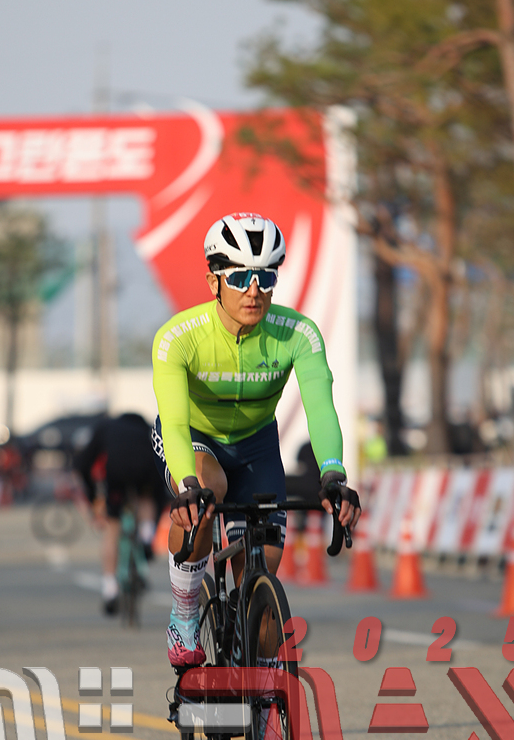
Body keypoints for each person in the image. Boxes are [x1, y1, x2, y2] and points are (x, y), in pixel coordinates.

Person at [151, 212, 360, 681]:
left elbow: (320, 407)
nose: (254, 290)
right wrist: (187, 484)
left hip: (257, 446)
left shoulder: (298, 334)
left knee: (263, 585)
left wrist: (333, 475)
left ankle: (263, 692)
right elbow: (175, 421)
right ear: (213, 281)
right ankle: (184, 612)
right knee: (208, 491)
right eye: (240, 277)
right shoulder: (178, 338)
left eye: (266, 277)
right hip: (196, 440)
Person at [73, 412, 166, 614]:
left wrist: (92, 496)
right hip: (146, 468)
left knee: (113, 528)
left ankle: (110, 589)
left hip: (116, 471)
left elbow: (82, 463)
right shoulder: (146, 428)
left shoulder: (106, 427)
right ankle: (146, 536)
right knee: (146, 498)